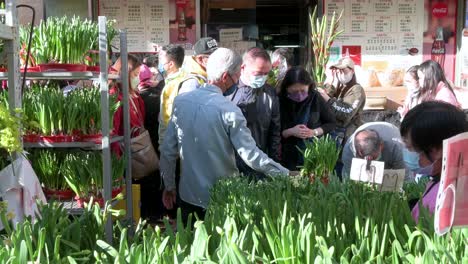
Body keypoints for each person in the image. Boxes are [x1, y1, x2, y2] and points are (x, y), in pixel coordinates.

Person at [160, 48, 289, 223]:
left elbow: (168, 150)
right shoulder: (229, 110)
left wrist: (169, 186)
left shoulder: (181, 101)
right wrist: (284, 174)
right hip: (222, 197)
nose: (237, 81)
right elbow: (251, 155)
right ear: (225, 77)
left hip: (188, 194)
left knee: (190, 245)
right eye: (236, 77)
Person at [400, 101, 468, 222]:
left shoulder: (449, 199)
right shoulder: (441, 180)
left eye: (410, 148)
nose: (406, 153)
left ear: (436, 150)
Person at [229, 47, 281, 179]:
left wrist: (273, 164)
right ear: (243, 67)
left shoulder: (269, 93)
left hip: (260, 163)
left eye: (266, 74)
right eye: (258, 73)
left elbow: (275, 131)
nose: (262, 77)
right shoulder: (228, 91)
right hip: (230, 165)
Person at [279, 67, 336, 171]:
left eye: (303, 90)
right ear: (287, 88)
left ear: (309, 87)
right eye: (294, 91)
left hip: (313, 155)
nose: (299, 95)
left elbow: (331, 123)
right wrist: (290, 131)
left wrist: (313, 132)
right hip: (287, 157)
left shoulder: (315, 97)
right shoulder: (279, 100)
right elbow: (272, 132)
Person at [317, 57, 366, 144]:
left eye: (343, 70)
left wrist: (328, 100)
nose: (340, 73)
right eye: (338, 71)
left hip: (347, 135)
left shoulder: (357, 90)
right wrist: (331, 82)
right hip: (334, 132)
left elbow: (346, 114)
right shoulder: (340, 87)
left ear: (352, 71)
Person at [341, 122, 406, 179]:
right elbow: (348, 177)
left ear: (381, 145)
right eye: (364, 157)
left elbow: (405, 175)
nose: (369, 159)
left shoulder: (397, 147)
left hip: (390, 145)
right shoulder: (348, 151)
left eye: (373, 157)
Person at [158, 44, 186, 147]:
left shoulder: (177, 84)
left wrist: (164, 143)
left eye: (161, 59)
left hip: (171, 143)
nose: (159, 63)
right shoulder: (174, 80)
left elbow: (168, 117)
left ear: (170, 64)